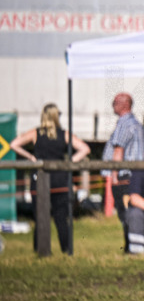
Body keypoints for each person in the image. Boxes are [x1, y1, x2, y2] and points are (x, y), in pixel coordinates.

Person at [10, 103, 90, 255]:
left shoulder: (35, 133)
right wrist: (69, 162)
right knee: (61, 217)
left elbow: (14, 144)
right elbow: (85, 148)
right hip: (60, 179)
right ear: (56, 117)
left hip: (39, 178)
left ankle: (40, 251)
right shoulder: (64, 134)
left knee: (40, 216)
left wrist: (31, 157)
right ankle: (67, 250)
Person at [102, 92, 144, 249]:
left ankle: (130, 246)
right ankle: (133, 244)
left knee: (124, 212)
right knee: (133, 212)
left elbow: (118, 150)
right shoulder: (136, 124)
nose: (113, 105)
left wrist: (114, 176)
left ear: (125, 104)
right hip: (136, 174)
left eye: (115, 102)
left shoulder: (124, 124)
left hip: (125, 176)